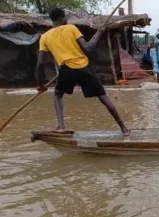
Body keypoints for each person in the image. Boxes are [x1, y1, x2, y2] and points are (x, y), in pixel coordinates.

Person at [36, 7, 129, 136]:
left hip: (66, 69)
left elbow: (40, 63)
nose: (67, 19)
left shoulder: (44, 37)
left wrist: (40, 84)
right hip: (84, 67)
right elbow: (88, 48)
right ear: (62, 18)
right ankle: (124, 128)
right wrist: (99, 32)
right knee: (103, 97)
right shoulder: (71, 28)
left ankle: (61, 126)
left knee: (58, 96)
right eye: (66, 17)